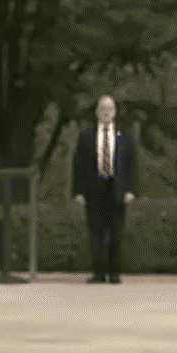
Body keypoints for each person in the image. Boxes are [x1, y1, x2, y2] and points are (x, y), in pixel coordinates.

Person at [71, 94, 137, 283]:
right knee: (96, 233)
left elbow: (131, 164)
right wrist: (78, 191)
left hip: (116, 189)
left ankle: (114, 273)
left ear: (115, 112)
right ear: (97, 112)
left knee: (116, 233)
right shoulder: (87, 136)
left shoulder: (125, 136)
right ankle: (99, 273)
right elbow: (78, 164)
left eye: (110, 109)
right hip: (94, 189)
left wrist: (131, 189)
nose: (106, 113)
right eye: (103, 109)